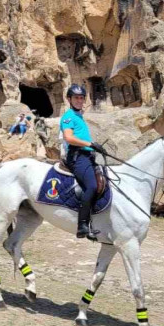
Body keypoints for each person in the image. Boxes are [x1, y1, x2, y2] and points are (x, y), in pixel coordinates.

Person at [60, 84, 107, 241]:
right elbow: (68, 137)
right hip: (77, 157)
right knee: (92, 186)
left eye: (81, 98)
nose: (79, 100)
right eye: (76, 98)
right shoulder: (68, 117)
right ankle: (82, 225)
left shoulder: (79, 117)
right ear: (69, 99)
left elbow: (82, 138)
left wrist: (95, 147)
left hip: (87, 156)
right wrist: (90, 144)